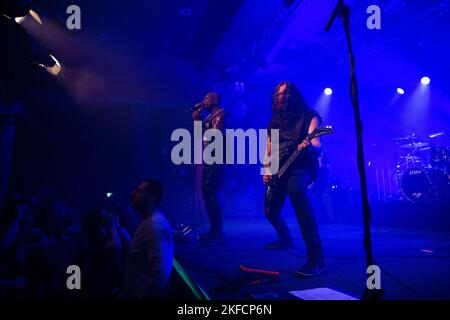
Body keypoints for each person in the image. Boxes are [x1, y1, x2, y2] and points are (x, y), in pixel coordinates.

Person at [263, 81, 325, 277]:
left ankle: (316, 257)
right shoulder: (273, 122)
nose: (284, 97)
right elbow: (269, 151)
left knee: (296, 190)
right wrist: (266, 169)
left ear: (295, 95)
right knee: (270, 211)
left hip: (302, 166)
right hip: (279, 170)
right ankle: (285, 238)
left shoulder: (309, 116)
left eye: (287, 94)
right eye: (280, 94)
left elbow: (317, 144)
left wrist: (310, 145)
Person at [124, 179, 173, 299]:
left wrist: (144, 296)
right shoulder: (150, 222)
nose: (132, 194)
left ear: (151, 198)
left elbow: (161, 272)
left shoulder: (153, 225)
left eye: (139, 191)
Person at [192, 92, 226, 246]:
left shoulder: (221, 114)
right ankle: (214, 230)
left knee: (210, 192)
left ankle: (217, 233)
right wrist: (197, 120)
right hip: (209, 158)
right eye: (204, 97)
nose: (203, 100)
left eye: (207, 98)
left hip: (216, 159)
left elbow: (214, 136)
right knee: (206, 192)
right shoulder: (208, 117)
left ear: (215, 100)